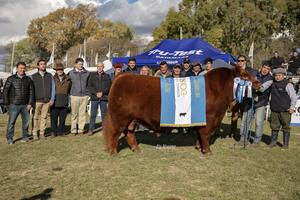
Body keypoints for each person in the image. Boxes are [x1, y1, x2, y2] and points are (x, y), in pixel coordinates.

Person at [3, 62, 34, 144]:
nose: (22, 70)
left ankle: (25, 136)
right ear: (17, 69)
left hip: (25, 105)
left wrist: (30, 103)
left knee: (26, 123)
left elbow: (31, 92)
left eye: (24, 68)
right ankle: (10, 138)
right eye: (20, 68)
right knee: (11, 122)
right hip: (13, 104)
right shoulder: (11, 79)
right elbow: (5, 92)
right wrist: (7, 104)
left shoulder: (28, 79)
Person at [269, 68, 297, 149]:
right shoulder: (272, 83)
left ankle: (285, 145)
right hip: (274, 110)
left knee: (286, 127)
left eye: (279, 75)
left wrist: (292, 108)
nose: (277, 77)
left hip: (285, 111)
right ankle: (273, 142)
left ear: (283, 76)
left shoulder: (288, 85)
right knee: (274, 126)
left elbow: (294, 97)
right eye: (276, 75)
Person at [235, 55, 258, 145]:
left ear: (245, 61)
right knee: (237, 117)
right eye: (239, 60)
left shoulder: (251, 71)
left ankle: (244, 138)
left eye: (242, 60)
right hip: (236, 98)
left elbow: (255, 82)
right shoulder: (235, 71)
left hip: (248, 97)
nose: (240, 62)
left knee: (246, 118)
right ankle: (240, 136)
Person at [250, 61, 273, 146]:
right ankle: (244, 138)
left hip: (261, 102)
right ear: (261, 67)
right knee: (247, 120)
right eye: (264, 67)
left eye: (268, 69)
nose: (265, 70)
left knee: (259, 122)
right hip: (251, 100)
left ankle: (256, 140)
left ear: (269, 70)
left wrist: (253, 83)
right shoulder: (255, 74)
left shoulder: (270, 79)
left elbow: (262, 88)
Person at [31, 59, 55, 140]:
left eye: (44, 64)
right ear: (38, 66)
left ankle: (42, 133)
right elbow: (31, 90)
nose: (43, 65)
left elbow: (53, 88)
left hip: (47, 100)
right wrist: (31, 101)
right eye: (41, 64)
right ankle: (34, 133)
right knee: (35, 117)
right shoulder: (33, 76)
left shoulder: (50, 76)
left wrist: (52, 99)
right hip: (36, 100)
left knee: (44, 117)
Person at [87, 62, 112, 136]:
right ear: (96, 67)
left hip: (104, 98)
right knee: (93, 114)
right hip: (94, 98)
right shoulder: (92, 75)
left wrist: (103, 93)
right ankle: (91, 130)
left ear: (103, 67)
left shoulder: (107, 76)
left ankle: (105, 129)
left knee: (104, 115)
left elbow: (109, 87)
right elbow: (89, 86)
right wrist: (96, 93)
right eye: (98, 66)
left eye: (101, 66)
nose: (99, 67)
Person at [68, 58, 90, 135]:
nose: (81, 65)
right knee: (74, 114)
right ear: (75, 64)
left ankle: (81, 129)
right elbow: (68, 85)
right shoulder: (70, 73)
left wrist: (88, 94)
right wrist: (70, 93)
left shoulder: (87, 73)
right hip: (74, 96)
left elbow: (89, 84)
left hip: (84, 96)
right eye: (79, 64)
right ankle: (73, 130)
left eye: (82, 64)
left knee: (82, 114)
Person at [50, 63, 72, 137]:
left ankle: (61, 131)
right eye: (58, 69)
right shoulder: (52, 78)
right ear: (56, 70)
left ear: (63, 70)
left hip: (64, 100)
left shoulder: (68, 79)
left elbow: (69, 89)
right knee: (54, 118)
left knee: (62, 118)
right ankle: (53, 131)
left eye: (61, 69)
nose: (60, 71)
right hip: (55, 100)